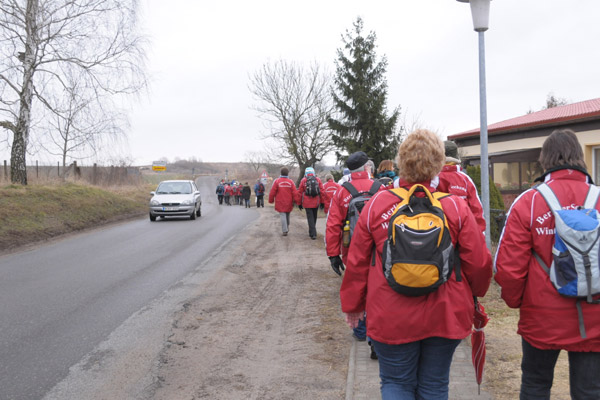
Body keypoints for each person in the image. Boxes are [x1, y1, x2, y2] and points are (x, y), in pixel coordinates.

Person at [340, 129, 492, 400]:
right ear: (438, 163)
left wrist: (353, 306)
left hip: (390, 314)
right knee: (434, 385)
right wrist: (475, 295)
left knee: (396, 383)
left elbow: (357, 262)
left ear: (402, 162)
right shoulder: (456, 207)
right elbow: (479, 264)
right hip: (445, 313)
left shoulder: (377, 205)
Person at [494, 128, 600, 400]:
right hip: (594, 315)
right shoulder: (598, 198)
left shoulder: (528, 202)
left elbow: (508, 267)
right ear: (579, 157)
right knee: (590, 391)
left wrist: (517, 302)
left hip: (541, 314)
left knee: (535, 386)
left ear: (545, 160)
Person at [326, 151, 379, 342]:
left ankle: (360, 331)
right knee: (377, 289)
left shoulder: (342, 191)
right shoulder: (380, 188)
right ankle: (375, 335)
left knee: (357, 288)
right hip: (378, 251)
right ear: (367, 167)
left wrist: (333, 254)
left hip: (352, 250)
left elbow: (332, 224)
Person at [436, 141, 486, 234]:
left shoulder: (431, 178)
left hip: (436, 236)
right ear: (456, 158)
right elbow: (477, 211)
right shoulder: (465, 180)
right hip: (463, 234)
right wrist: (479, 235)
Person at [295, 167, 326, 240]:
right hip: (316, 202)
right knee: (314, 217)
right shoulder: (318, 180)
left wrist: (299, 203)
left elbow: (299, 193)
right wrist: (322, 202)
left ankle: (313, 233)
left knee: (310, 218)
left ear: (305, 173)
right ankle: (312, 231)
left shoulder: (303, 180)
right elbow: (322, 192)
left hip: (307, 203)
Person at [268, 167, 296, 236]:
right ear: (287, 173)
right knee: (287, 214)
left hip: (280, 201)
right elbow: (295, 192)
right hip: (289, 202)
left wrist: (271, 200)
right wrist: (296, 201)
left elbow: (272, 192)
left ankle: (285, 230)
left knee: (282, 215)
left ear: (281, 173)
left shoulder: (277, 181)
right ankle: (286, 227)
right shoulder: (291, 182)